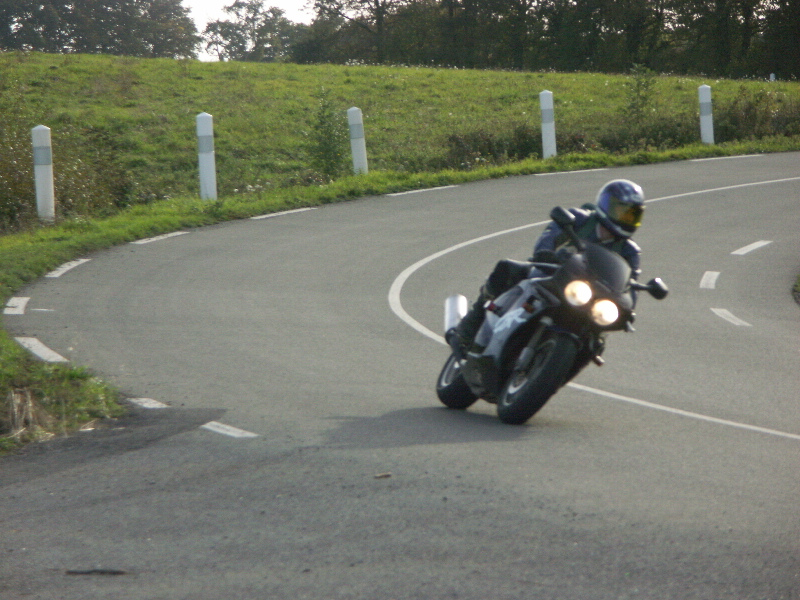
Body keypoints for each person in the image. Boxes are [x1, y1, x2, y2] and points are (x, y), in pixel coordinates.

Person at [450, 179, 645, 352]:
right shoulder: (579, 219)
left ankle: (557, 368)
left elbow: (630, 284)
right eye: (620, 210)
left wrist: (628, 308)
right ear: (605, 204)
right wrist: (545, 253)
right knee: (506, 269)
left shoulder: (630, 251)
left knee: (595, 342)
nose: (624, 218)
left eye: (631, 215)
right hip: (550, 274)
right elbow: (550, 235)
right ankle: (468, 327)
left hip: (588, 298)